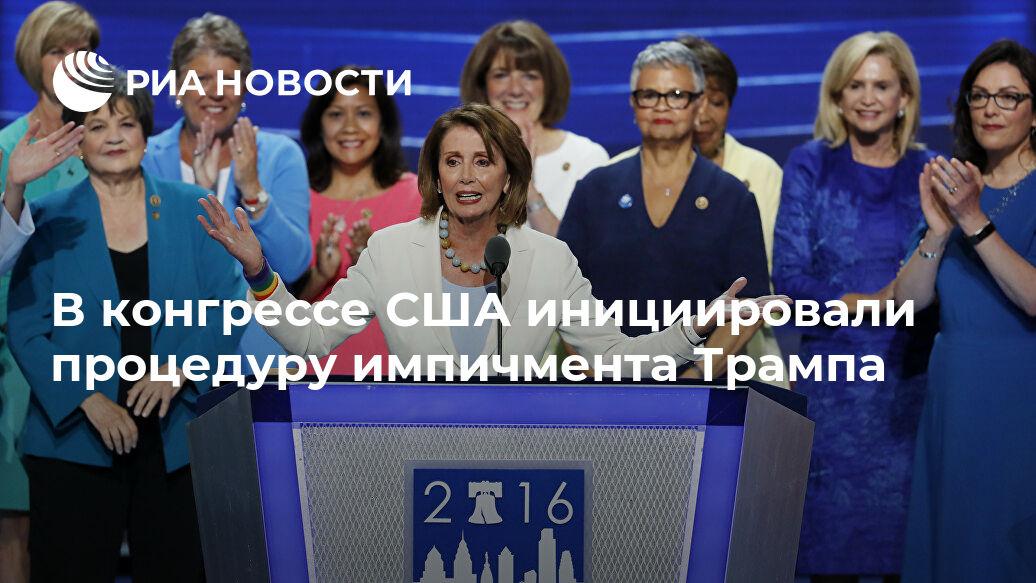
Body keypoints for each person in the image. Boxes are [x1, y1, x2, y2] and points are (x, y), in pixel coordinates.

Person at [199, 103, 788, 372]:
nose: (467, 177)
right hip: (412, 458)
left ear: (508, 174)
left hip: (519, 466)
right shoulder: (391, 250)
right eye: (452, 162)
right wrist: (259, 273)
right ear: (435, 175)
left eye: (483, 162)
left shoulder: (550, 260)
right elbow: (309, 337)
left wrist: (694, 328)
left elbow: (614, 359)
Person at [7, 70, 245, 582]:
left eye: (126, 123)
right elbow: (25, 325)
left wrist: (181, 369)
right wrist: (85, 397)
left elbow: (229, 305)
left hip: (175, 441)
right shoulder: (47, 218)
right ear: (77, 144)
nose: (113, 136)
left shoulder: (193, 208)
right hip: (73, 442)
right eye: (96, 127)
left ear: (144, 134)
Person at [771, 31, 935, 581]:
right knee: (829, 552)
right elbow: (790, 280)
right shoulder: (809, 164)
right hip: (834, 381)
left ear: (904, 96)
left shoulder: (931, 171)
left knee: (903, 551)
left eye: (882, 86)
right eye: (856, 85)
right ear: (837, 96)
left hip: (910, 381)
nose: (868, 98)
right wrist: (872, 303)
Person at [896, 40, 1036, 583]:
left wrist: (973, 220)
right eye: (979, 96)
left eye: (1008, 96)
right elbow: (909, 302)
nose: (990, 109)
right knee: (951, 547)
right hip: (953, 393)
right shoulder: (958, 185)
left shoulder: (973, 199)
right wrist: (937, 230)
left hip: (1018, 396)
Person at [557, 41, 771, 378]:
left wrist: (695, 377)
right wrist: (596, 374)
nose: (662, 105)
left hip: (697, 390)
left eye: (676, 95)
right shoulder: (594, 190)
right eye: (649, 95)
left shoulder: (733, 197)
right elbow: (562, 294)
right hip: (602, 385)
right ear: (633, 103)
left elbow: (748, 304)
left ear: (698, 103)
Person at [142, 12, 311, 366]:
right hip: (166, 356)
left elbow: (293, 265)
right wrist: (199, 198)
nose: (216, 92)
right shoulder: (146, 160)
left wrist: (252, 191)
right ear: (177, 86)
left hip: (257, 355)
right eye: (201, 78)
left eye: (229, 79)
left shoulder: (279, 156)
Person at [0, 3, 98, 579]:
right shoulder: (7, 147)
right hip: (19, 357)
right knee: (17, 522)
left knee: (82, 523)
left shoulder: (109, 138)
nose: (71, 61)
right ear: (33, 59)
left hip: (97, 350)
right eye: (58, 50)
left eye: (83, 50)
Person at [675, 34, 787, 387]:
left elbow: (765, 283)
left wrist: (699, 372)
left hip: (748, 361)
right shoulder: (619, 174)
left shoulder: (761, 171)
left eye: (718, 102)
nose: (704, 116)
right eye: (693, 99)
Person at [296, 65, 421, 374]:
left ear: (383, 124)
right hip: (307, 377)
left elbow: (428, 305)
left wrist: (375, 267)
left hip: (393, 377)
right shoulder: (296, 197)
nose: (349, 127)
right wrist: (319, 277)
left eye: (363, 113)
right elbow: (275, 313)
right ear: (319, 124)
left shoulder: (417, 196)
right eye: (336, 114)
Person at [460, 20, 609, 235]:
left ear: (549, 85)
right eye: (501, 75)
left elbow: (577, 252)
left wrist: (527, 187)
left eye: (529, 76)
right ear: (482, 85)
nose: (515, 89)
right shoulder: (458, 155)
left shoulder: (586, 158)